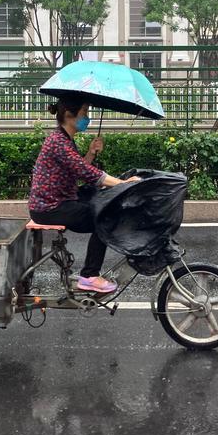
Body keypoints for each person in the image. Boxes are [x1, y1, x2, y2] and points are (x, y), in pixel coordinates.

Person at [28, 97, 140, 293]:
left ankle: (90, 275)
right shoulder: (58, 142)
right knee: (104, 218)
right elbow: (87, 173)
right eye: (85, 112)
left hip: (59, 200)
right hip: (50, 207)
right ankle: (89, 276)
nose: (87, 118)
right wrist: (124, 184)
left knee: (103, 200)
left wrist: (91, 153)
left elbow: (77, 169)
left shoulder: (64, 139)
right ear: (70, 115)